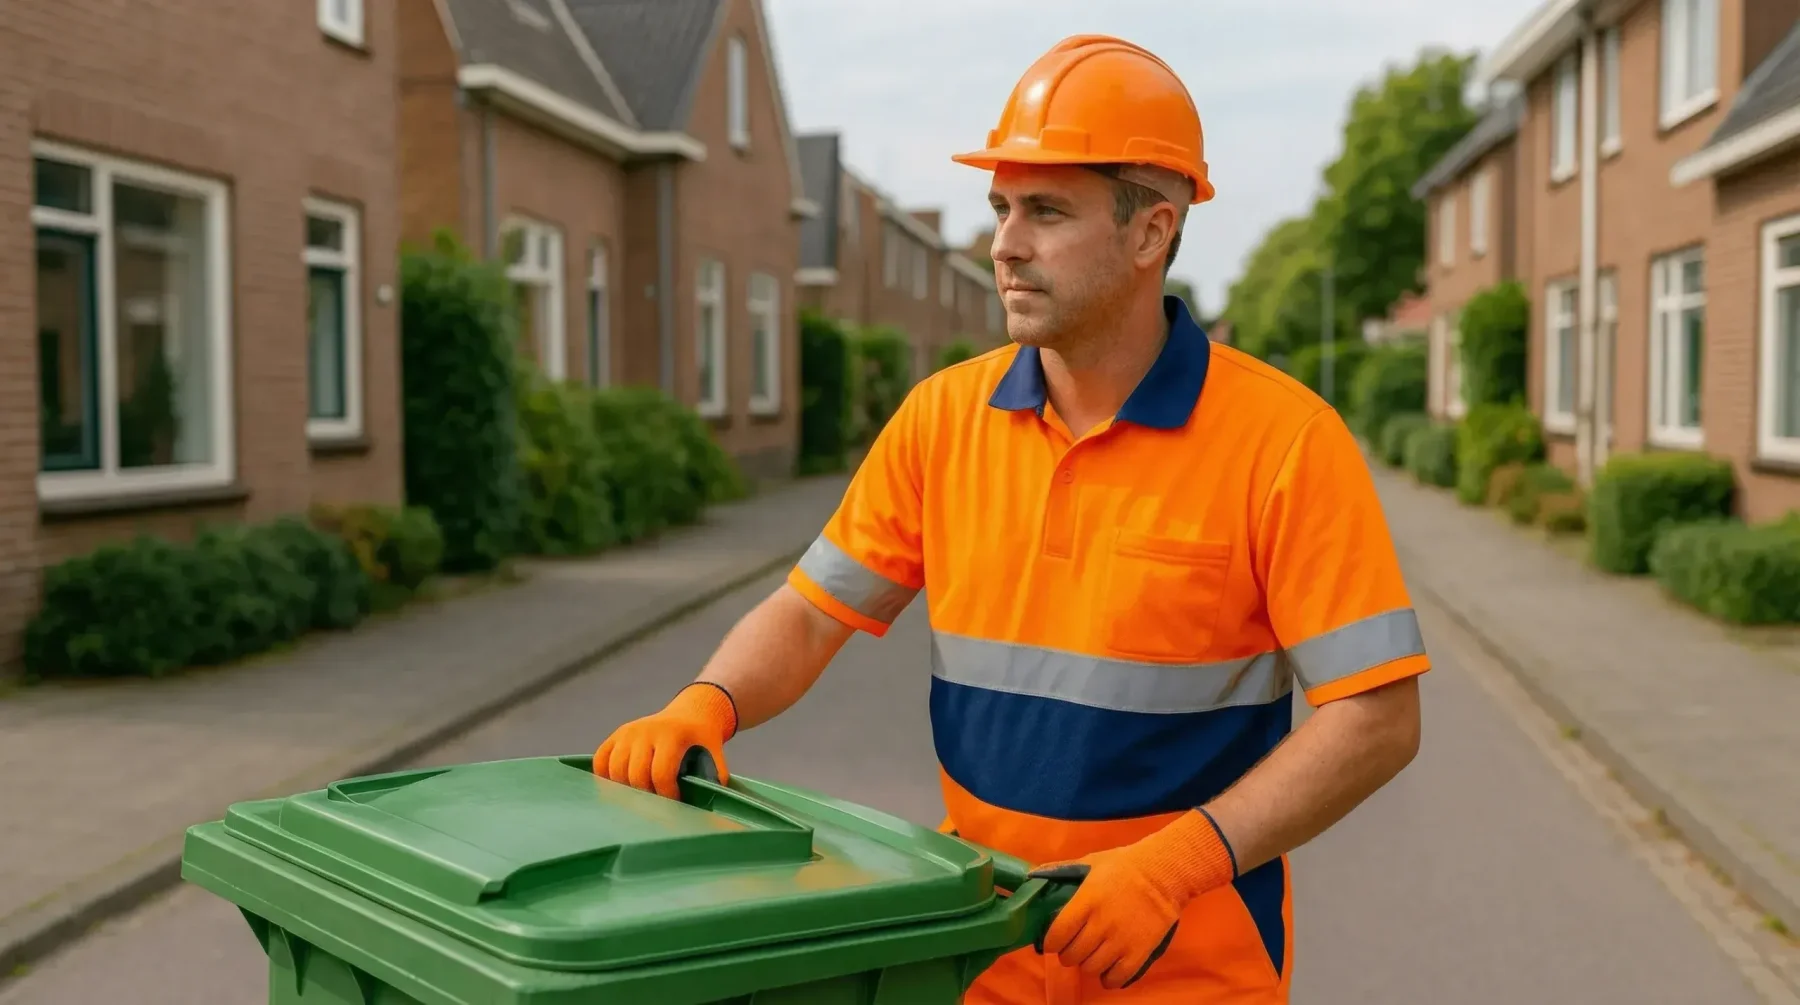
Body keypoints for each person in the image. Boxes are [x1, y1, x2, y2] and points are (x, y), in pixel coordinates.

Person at [593, 33, 1428, 1003]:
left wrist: (1175, 867)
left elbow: (1376, 716)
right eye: (999, 208)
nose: (1003, 243)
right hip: (980, 940)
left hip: (1189, 955)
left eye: (1045, 211)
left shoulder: (1284, 443)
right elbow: (814, 609)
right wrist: (708, 699)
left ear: (1152, 230)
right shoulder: (941, 420)